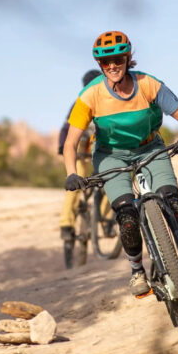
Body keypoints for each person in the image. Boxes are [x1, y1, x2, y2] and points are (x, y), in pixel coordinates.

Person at [62, 31, 178, 297]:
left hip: (150, 147)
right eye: (105, 62)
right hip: (111, 154)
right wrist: (71, 173)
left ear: (127, 58)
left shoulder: (148, 84)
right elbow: (70, 143)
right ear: (100, 65)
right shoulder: (90, 95)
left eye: (117, 59)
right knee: (126, 214)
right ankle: (137, 271)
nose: (112, 66)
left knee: (174, 203)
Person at [58, 69, 103, 268]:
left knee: (110, 180)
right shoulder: (80, 104)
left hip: (98, 151)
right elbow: (66, 130)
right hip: (80, 153)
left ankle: (107, 218)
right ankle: (66, 225)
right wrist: (63, 146)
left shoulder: (108, 102)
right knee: (75, 185)